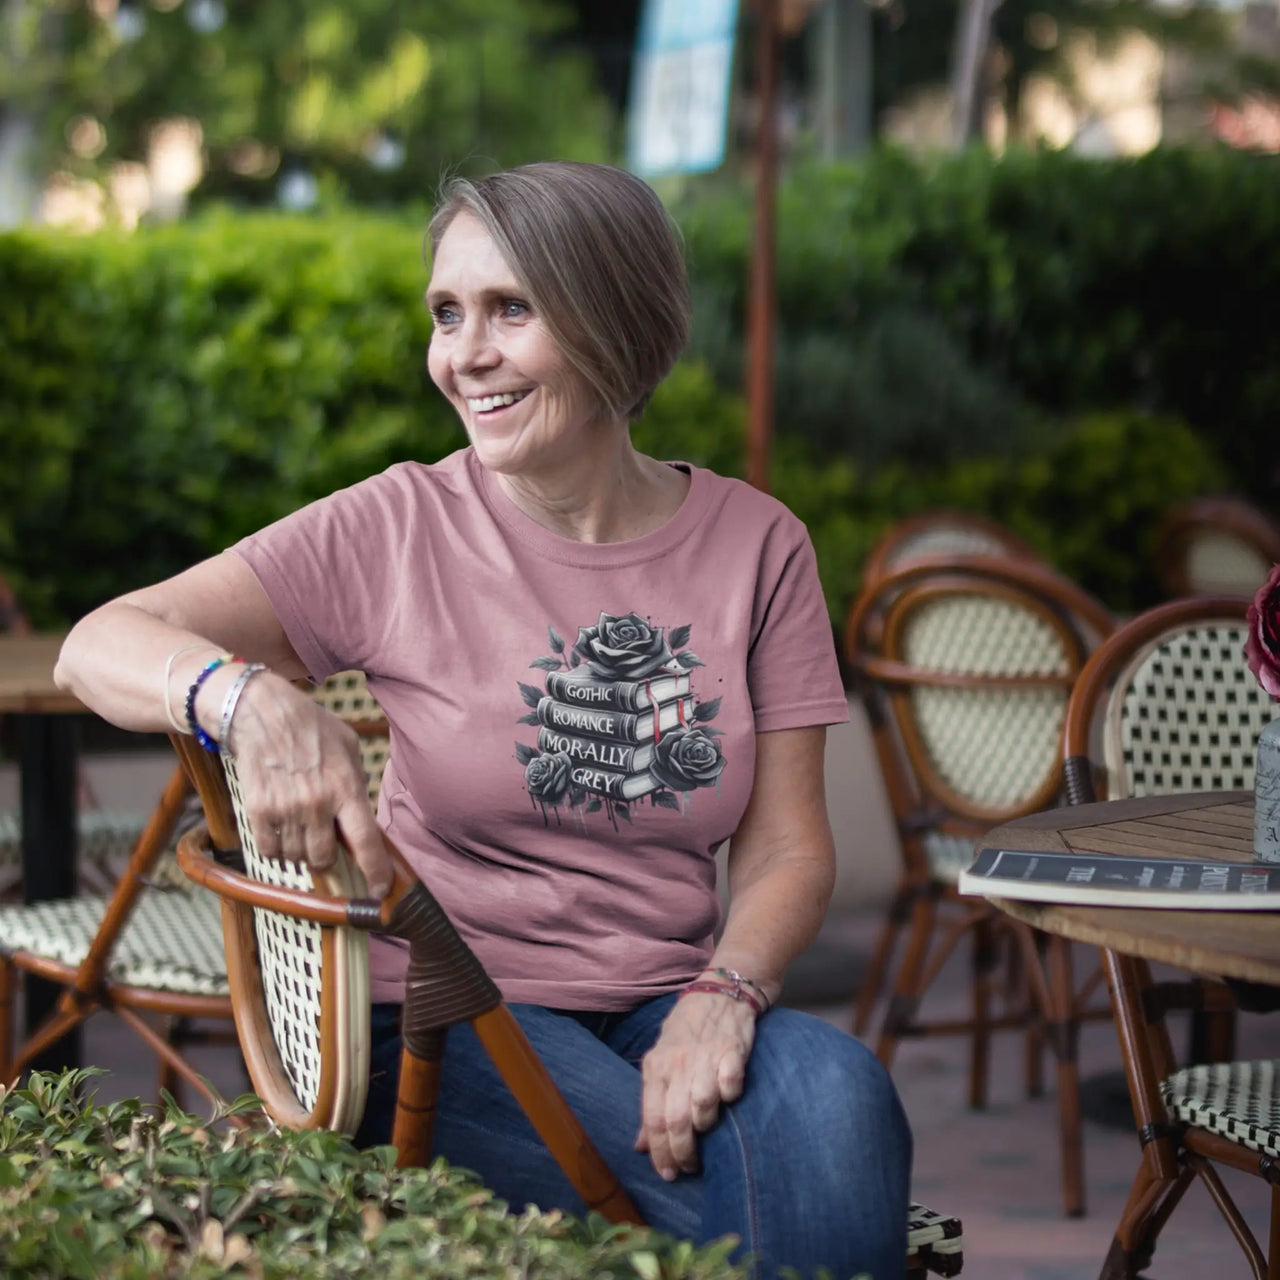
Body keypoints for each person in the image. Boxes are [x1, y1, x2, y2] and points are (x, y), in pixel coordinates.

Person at [55, 160, 911, 1279]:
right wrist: (247, 696)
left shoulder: (758, 545)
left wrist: (723, 993)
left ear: (613, 317)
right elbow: (98, 641)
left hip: (668, 998)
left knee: (847, 1105)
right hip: (439, 1019)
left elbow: (790, 844)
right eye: (447, 313)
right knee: (763, 1194)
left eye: (511, 309)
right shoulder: (400, 524)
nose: (464, 354)